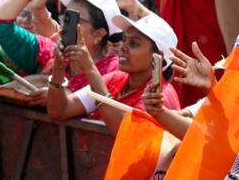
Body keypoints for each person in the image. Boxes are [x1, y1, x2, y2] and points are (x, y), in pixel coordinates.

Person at [48, 11, 180, 130]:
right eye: (124, 40)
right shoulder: (115, 79)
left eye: (133, 44)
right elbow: (59, 110)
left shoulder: (160, 96)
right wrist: (59, 67)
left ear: (158, 57)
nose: (123, 47)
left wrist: (90, 69)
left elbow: (124, 132)